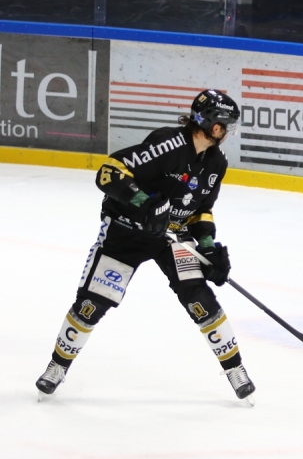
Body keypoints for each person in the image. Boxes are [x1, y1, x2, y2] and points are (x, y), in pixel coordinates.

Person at [35, 89, 257, 404]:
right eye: (225, 124)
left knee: (201, 299)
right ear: (207, 122)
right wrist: (145, 202)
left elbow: (202, 210)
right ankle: (57, 366)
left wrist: (207, 247)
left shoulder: (216, 163)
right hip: (127, 233)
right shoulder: (168, 144)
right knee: (93, 303)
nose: (226, 132)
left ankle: (236, 370)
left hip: (172, 238)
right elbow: (110, 172)